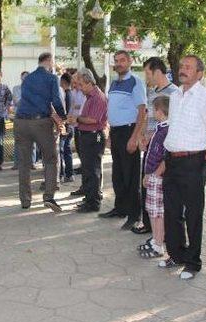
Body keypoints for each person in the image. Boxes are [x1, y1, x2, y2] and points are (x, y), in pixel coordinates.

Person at [161, 55, 206, 280]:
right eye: (182, 66)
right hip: (172, 160)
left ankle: (193, 262)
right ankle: (176, 255)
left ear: (200, 73)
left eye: (189, 67)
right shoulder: (176, 95)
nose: (183, 69)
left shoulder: (205, 97)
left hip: (193, 162)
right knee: (172, 211)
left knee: (193, 214)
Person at [101, 50, 147, 231]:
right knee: (118, 175)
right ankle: (120, 208)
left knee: (131, 176)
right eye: (116, 61)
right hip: (116, 133)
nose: (118, 63)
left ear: (129, 62)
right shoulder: (113, 83)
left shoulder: (136, 82)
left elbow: (142, 112)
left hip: (129, 132)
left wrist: (135, 137)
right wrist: (110, 135)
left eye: (122, 60)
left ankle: (134, 216)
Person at [14, 52, 66, 212]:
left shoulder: (28, 78)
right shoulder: (51, 78)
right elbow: (56, 100)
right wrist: (63, 118)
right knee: (50, 159)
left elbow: (26, 99)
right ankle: (49, 197)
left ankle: (25, 200)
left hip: (20, 122)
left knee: (24, 163)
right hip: (40, 122)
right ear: (49, 61)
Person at [134, 57, 178, 236]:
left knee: (162, 193)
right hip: (150, 147)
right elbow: (146, 116)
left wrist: (154, 136)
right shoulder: (151, 91)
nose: (146, 78)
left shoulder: (175, 93)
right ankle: (150, 226)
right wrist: (142, 136)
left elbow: (173, 124)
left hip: (165, 149)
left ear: (157, 71)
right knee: (147, 187)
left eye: (147, 73)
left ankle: (165, 234)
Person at [67, 68, 107, 212]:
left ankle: (93, 202)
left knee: (92, 170)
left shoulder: (97, 97)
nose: (79, 87)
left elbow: (93, 119)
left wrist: (77, 118)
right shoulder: (90, 97)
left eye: (81, 84)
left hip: (93, 136)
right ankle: (89, 198)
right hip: (86, 135)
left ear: (89, 82)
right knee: (87, 169)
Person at [137, 96, 170, 258]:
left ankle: (158, 243)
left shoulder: (166, 131)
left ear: (159, 111)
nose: (151, 113)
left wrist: (154, 175)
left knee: (157, 213)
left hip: (157, 177)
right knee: (152, 210)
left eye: (153, 110)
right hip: (152, 175)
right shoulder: (159, 128)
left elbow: (166, 158)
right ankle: (156, 240)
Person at [11, 71, 36, 170]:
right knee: (18, 141)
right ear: (21, 78)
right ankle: (17, 163)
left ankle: (32, 162)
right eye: (23, 78)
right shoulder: (16, 88)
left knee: (32, 141)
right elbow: (17, 102)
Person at [59, 72, 74, 183]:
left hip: (66, 127)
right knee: (66, 151)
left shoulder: (67, 95)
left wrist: (64, 125)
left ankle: (65, 174)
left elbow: (67, 113)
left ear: (63, 82)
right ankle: (68, 174)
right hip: (70, 126)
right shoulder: (70, 94)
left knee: (63, 151)